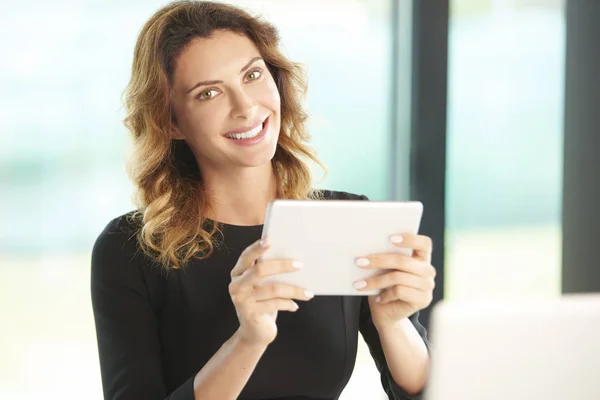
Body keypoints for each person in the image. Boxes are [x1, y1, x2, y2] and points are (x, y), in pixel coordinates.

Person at [90, 1, 436, 399]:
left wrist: (394, 323)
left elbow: (425, 389)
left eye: (252, 75)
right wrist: (249, 339)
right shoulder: (129, 250)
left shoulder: (345, 219)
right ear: (171, 122)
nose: (246, 107)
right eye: (209, 93)